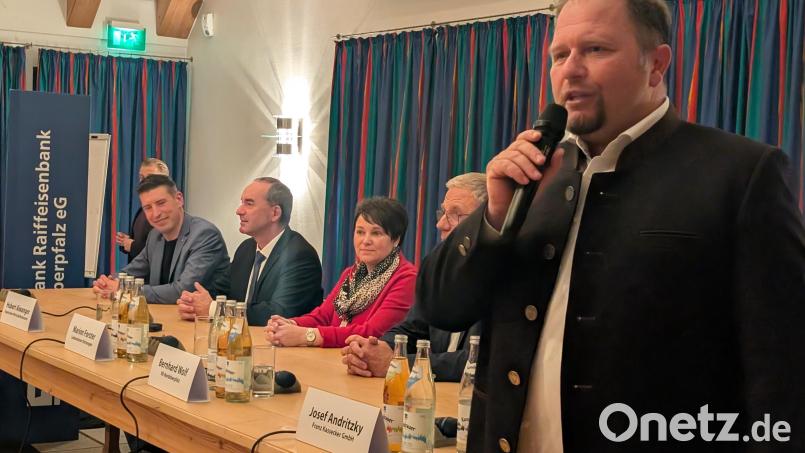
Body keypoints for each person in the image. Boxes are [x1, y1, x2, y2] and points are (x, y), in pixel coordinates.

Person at [417, 0, 805, 452]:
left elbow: (783, 372)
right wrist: (495, 217)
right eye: (559, 55)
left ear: (656, 64)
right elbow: (439, 307)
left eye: (596, 49)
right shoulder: (534, 178)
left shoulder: (739, 173)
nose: (571, 70)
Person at [340, 173, 486, 382]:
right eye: (442, 213)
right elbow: (412, 328)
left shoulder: (503, 278)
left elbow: (478, 361)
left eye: (456, 214)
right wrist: (374, 350)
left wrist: (397, 364)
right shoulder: (442, 274)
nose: (441, 224)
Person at [265, 197, 415, 348]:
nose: (365, 240)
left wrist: (306, 336)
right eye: (360, 232)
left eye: (376, 233)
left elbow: (373, 334)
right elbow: (323, 316)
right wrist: (289, 324)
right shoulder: (351, 273)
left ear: (396, 239)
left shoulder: (407, 278)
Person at [177, 177, 322, 326]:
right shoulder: (246, 249)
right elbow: (218, 292)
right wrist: (193, 303)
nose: (239, 211)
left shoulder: (299, 255)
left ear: (275, 213)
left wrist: (214, 309)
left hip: (279, 346)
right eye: (242, 203)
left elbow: (278, 313)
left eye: (249, 203)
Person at [93, 175, 230, 304]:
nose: (156, 214)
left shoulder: (204, 235)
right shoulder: (155, 235)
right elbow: (131, 272)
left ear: (179, 199)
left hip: (203, 324)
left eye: (161, 203)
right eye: (148, 208)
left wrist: (124, 289)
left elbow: (183, 291)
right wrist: (106, 282)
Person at [116, 158, 170, 262]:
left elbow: (163, 251)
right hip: (137, 274)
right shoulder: (141, 210)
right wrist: (125, 242)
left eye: (149, 178)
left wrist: (132, 245)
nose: (143, 182)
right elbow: (141, 242)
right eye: (141, 177)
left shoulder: (167, 212)